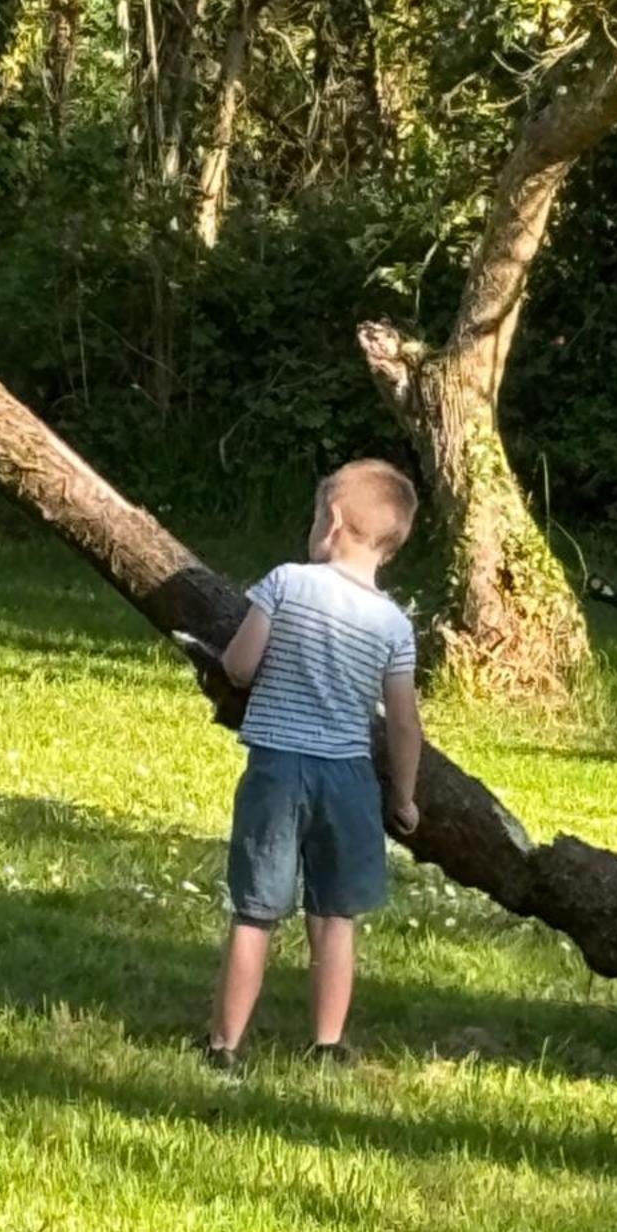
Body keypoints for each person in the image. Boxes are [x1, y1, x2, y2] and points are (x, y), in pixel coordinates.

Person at [199, 459, 422, 1072]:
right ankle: (327, 1044)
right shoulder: (394, 624)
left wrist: (233, 667)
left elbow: (240, 666)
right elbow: (403, 723)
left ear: (334, 522)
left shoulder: (287, 583)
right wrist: (402, 798)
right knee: (335, 915)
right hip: (348, 776)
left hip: (278, 769)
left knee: (255, 912)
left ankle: (225, 1046)